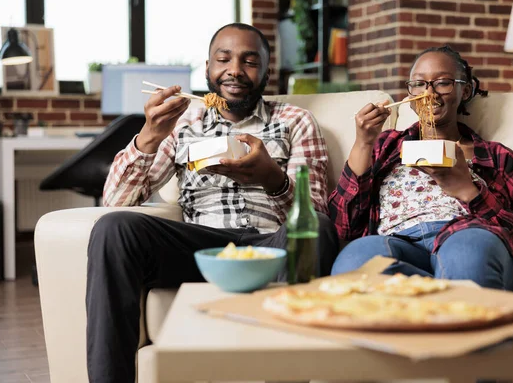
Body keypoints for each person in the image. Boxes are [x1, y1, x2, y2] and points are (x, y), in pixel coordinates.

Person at [86, 23, 339, 383]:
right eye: (223, 59)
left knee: (319, 233)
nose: (234, 69)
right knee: (113, 229)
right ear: (207, 69)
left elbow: (313, 213)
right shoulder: (182, 124)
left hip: (268, 245)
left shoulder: (295, 121)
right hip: (199, 246)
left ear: (266, 72)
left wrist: (272, 178)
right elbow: (117, 200)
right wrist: (149, 136)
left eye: (250, 61)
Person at [328, 45, 513, 295]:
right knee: (356, 261)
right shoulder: (385, 147)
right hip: (397, 243)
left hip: (468, 235)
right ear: (409, 96)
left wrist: (469, 190)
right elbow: (344, 227)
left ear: (465, 91)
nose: (430, 92)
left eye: (442, 82)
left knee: (467, 253)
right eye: (419, 84)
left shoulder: (498, 157)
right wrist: (363, 142)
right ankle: (447, 289)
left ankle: (438, 290)